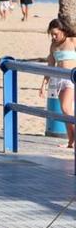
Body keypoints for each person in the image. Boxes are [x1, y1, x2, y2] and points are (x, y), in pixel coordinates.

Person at [41, 18, 76, 148]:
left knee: (67, 108)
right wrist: (43, 85)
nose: (54, 36)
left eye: (56, 33)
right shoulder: (53, 46)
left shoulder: (72, 41)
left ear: (63, 30)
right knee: (65, 111)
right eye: (52, 34)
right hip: (59, 80)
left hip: (72, 79)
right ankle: (71, 142)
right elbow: (50, 66)